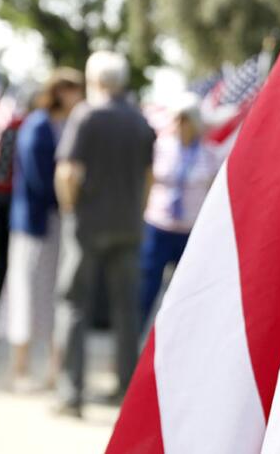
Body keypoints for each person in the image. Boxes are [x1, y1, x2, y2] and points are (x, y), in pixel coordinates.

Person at [53, 50, 156, 417]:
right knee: (126, 310)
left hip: (88, 225)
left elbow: (67, 173)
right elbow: (148, 178)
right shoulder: (141, 122)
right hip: (128, 226)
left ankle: (71, 394)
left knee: (74, 305)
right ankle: (125, 392)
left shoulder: (87, 116)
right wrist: (138, 212)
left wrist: (70, 208)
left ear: (95, 80)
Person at [3, 68, 84, 390]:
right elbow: (39, 179)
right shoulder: (38, 126)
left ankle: (53, 370)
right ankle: (20, 369)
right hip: (36, 225)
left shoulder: (68, 125)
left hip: (58, 222)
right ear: (59, 91)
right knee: (26, 294)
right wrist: (72, 194)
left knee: (54, 296)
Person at [138, 94, 224, 331]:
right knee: (146, 288)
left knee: (184, 293)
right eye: (176, 119)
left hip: (190, 230)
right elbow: (148, 181)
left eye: (184, 119)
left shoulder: (209, 154)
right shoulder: (160, 148)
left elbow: (213, 192)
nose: (179, 125)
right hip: (158, 227)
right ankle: (135, 343)